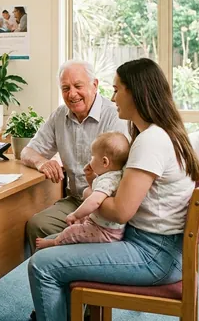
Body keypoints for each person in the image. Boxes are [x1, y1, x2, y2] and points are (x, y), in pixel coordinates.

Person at [27, 57, 199, 321]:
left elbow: (120, 212)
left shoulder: (151, 141)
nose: (113, 97)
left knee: (42, 265)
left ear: (135, 93)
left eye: (117, 89)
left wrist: (89, 193)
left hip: (153, 254)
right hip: (158, 247)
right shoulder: (159, 134)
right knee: (52, 244)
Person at [21, 60, 129, 253]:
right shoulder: (59, 115)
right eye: (65, 88)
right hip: (75, 199)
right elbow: (27, 152)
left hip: (104, 203)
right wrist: (42, 162)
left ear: (94, 85)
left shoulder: (115, 116)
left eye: (78, 86)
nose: (72, 94)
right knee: (38, 225)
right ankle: (51, 270)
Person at [34, 131, 129, 250]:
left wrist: (75, 215)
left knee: (72, 231)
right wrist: (90, 177)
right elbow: (97, 190)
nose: (90, 160)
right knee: (80, 221)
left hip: (105, 232)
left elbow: (95, 201)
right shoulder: (112, 176)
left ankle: (55, 242)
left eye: (92, 157)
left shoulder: (108, 180)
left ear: (105, 162)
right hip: (102, 224)